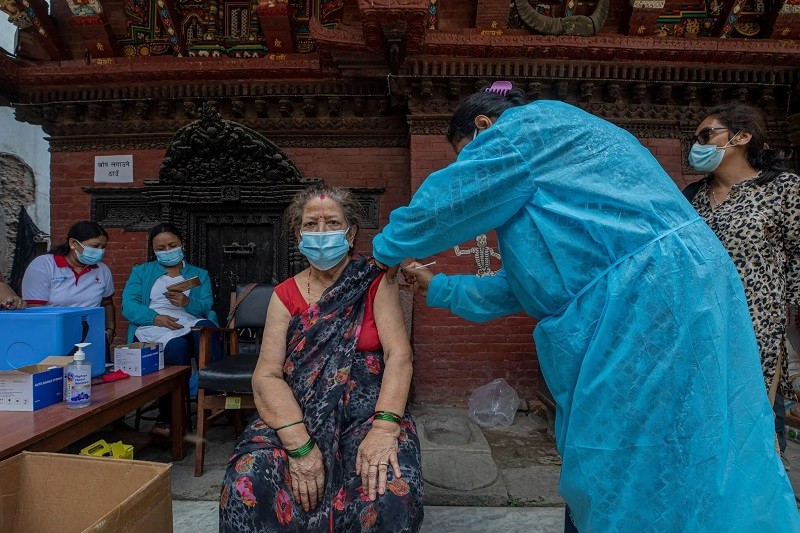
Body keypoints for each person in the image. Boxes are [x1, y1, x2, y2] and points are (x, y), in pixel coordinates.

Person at [373, 82, 799, 530]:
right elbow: (524, 285)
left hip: (646, 300)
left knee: (632, 451)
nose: (473, 166)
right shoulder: (570, 151)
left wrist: (382, 252)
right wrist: (439, 287)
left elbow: (443, 204)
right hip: (673, 291)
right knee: (688, 439)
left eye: (468, 154)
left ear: (483, 125)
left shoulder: (525, 129)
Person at [219, 185, 423, 532]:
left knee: (389, 490)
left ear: (351, 232)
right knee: (248, 479)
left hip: (367, 417)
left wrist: (385, 427)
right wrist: (298, 442)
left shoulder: (373, 282)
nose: (321, 232)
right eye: (312, 224)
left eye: (332, 223)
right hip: (295, 415)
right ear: (298, 233)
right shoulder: (283, 295)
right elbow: (267, 374)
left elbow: (399, 356)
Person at [683, 102, 800, 469]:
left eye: (707, 135)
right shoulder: (690, 198)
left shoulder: (783, 190)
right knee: (702, 448)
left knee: (753, 453)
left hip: (755, 339)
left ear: (742, 136)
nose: (697, 146)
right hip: (698, 335)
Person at [122, 223, 218, 437]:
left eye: (172, 245)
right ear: (153, 250)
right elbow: (128, 305)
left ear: (182, 244)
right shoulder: (141, 272)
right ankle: (170, 414)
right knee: (176, 347)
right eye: (161, 248)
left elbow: (206, 305)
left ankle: (214, 395)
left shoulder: (198, 274)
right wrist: (156, 318)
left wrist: (186, 301)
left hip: (189, 320)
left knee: (206, 330)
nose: (167, 251)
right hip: (156, 326)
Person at [22, 220, 116, 346]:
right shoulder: (44, 265)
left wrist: (110, 329)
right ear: (73, 243)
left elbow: (107, 303)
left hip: (92, 338)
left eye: (103, 247)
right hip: (53, 337)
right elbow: (35, 310)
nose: (100, 251)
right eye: (95, 246)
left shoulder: (102, 270)